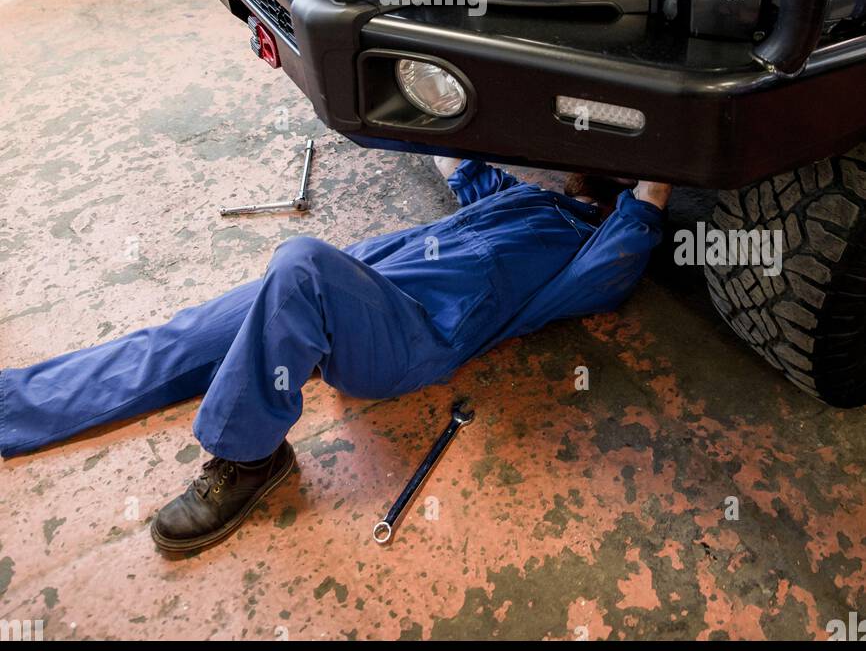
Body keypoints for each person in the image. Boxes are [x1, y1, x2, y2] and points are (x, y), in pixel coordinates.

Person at [0, 159, 671, 554]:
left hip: (406, 340)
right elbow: (463, 165)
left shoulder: (579, 250)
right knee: (184, 337)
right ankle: (16, 407)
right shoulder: (526, 199)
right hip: (354, 292)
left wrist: (653, 191)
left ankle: (250, 455)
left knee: (300, 265)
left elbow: (616, 270)